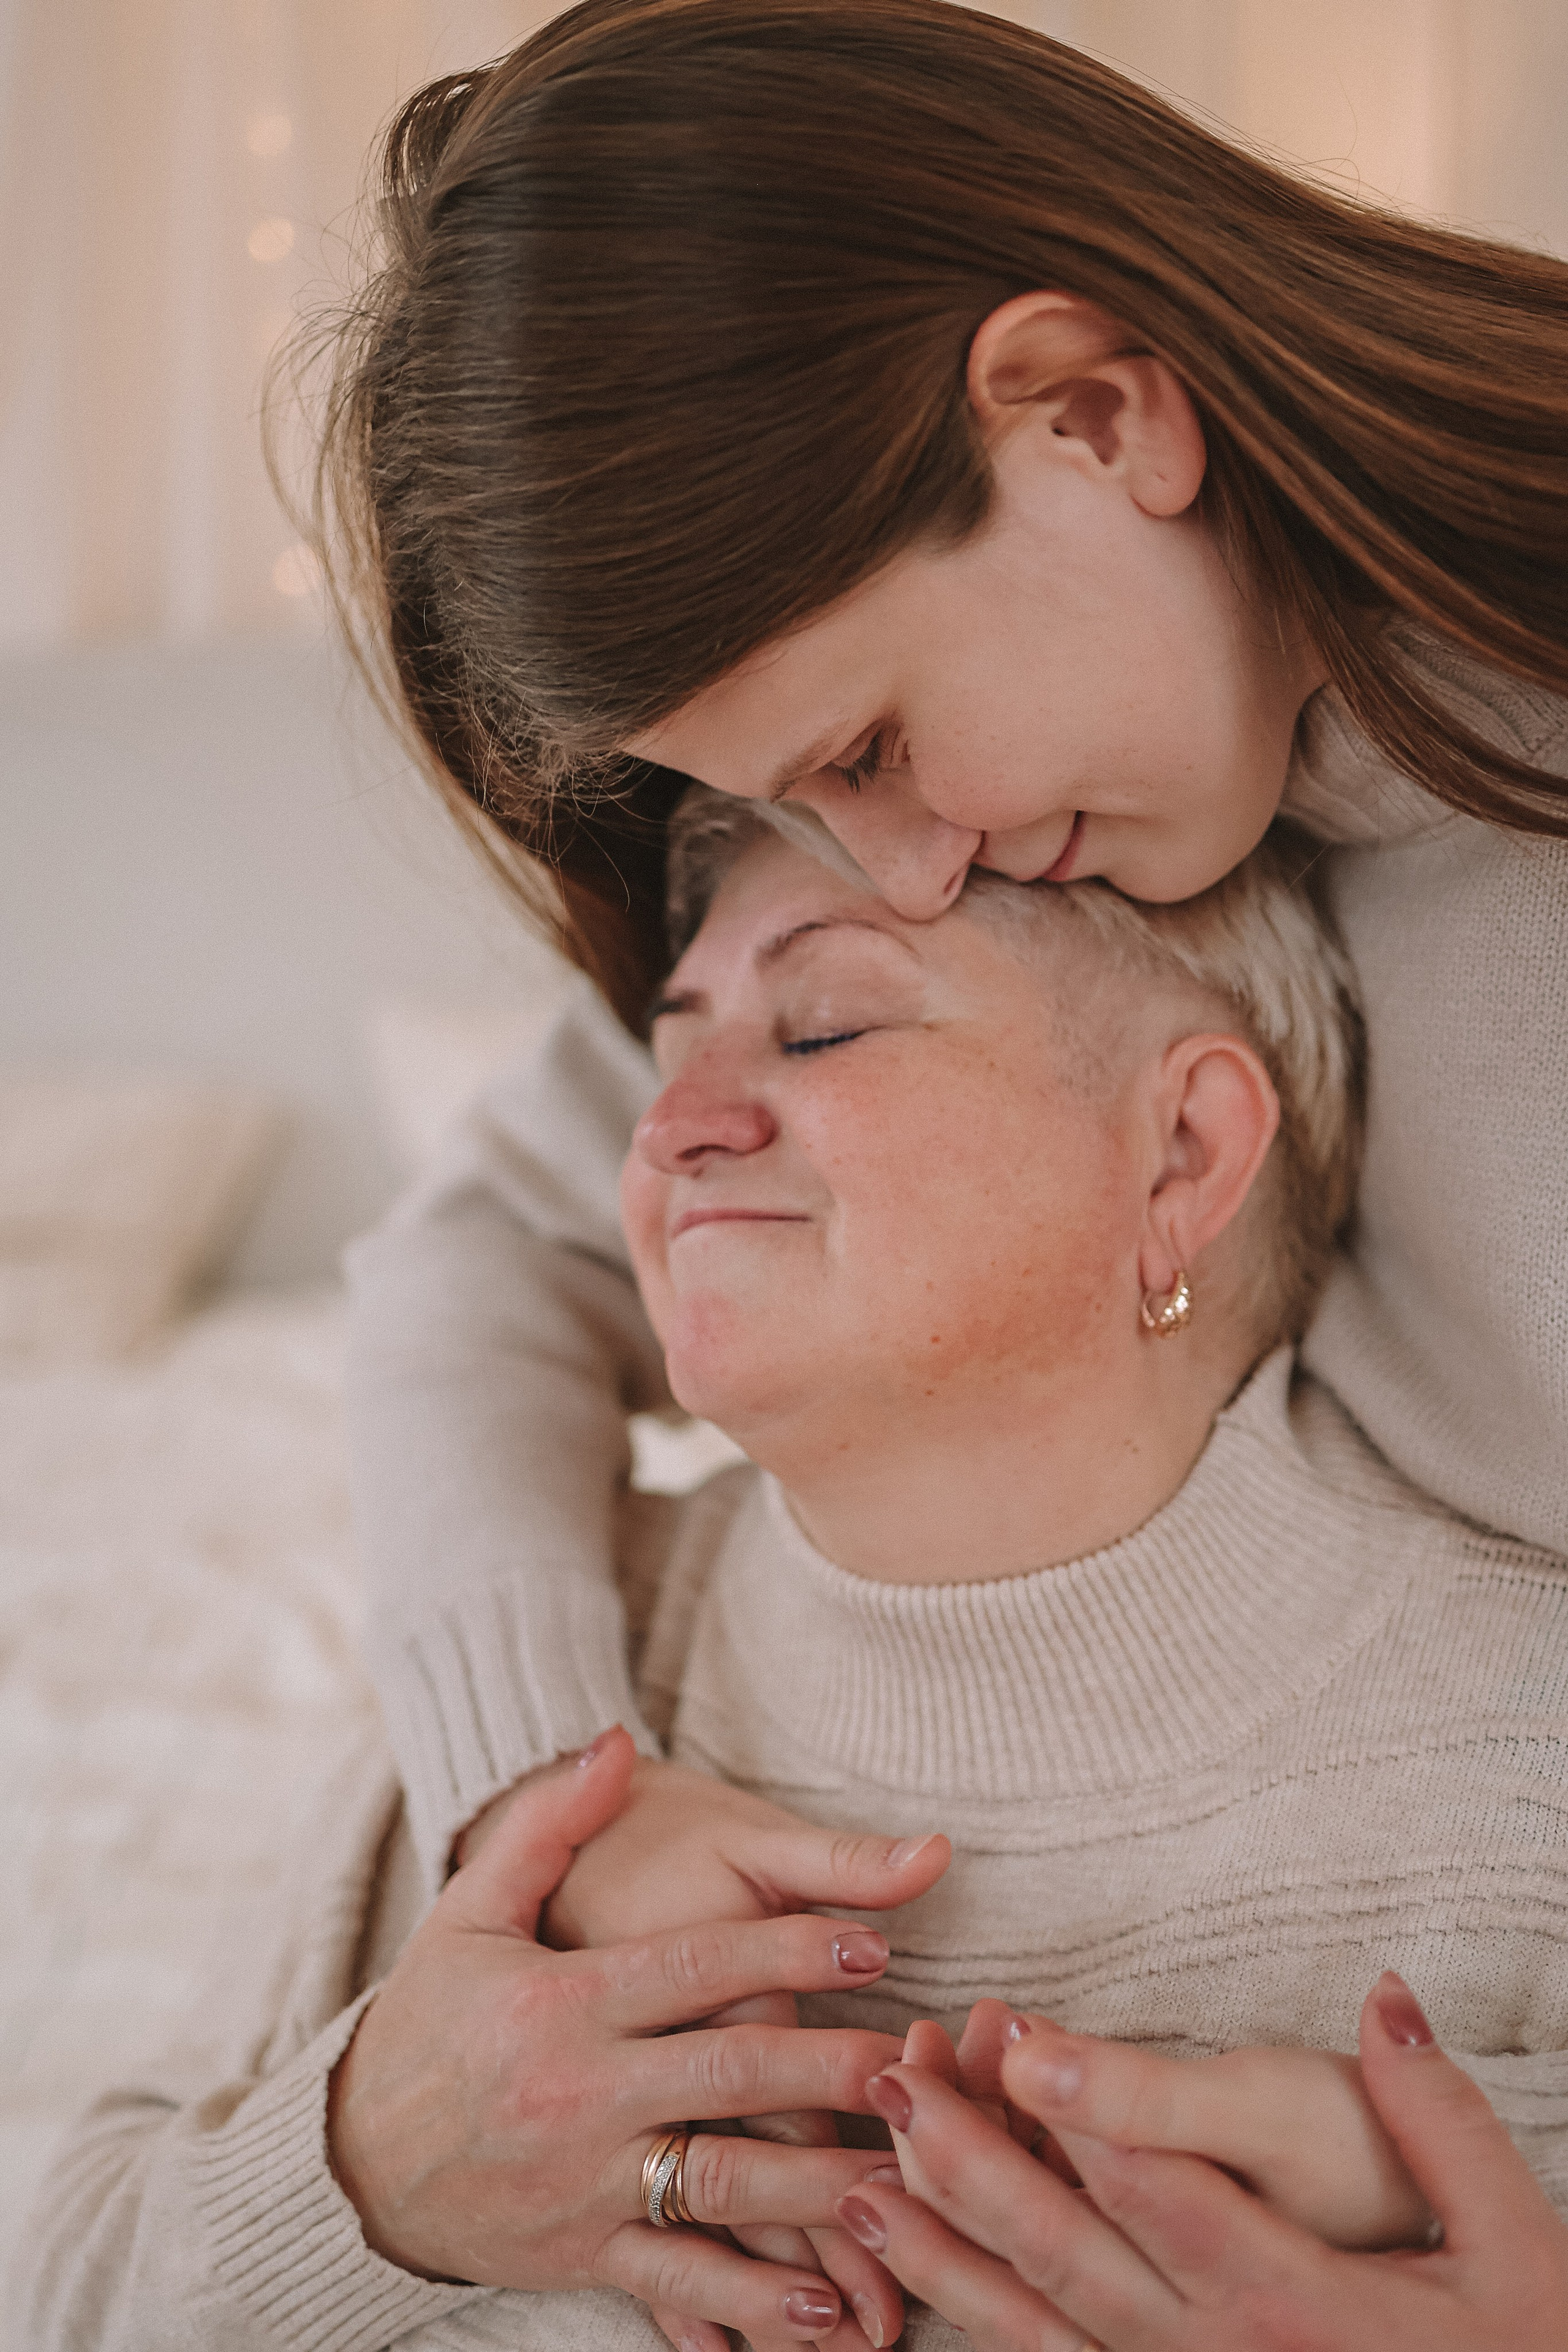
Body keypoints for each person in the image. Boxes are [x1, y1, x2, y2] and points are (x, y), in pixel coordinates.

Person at [306, 0, 1568, 2333]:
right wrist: (535, 1800)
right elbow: (475, 1254)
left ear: (1093, 412)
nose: (880, 871)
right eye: (798, 801)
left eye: (873, 743)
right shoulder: (1021, 887)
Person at [21, 803, 1568, 2351]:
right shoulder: (528, 1706)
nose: (668, 1124)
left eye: (822, 1028)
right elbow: (67, 2295)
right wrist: (363, 2174)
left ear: (1180, 1150)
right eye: (667, 1041)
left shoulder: (1518, 1757)